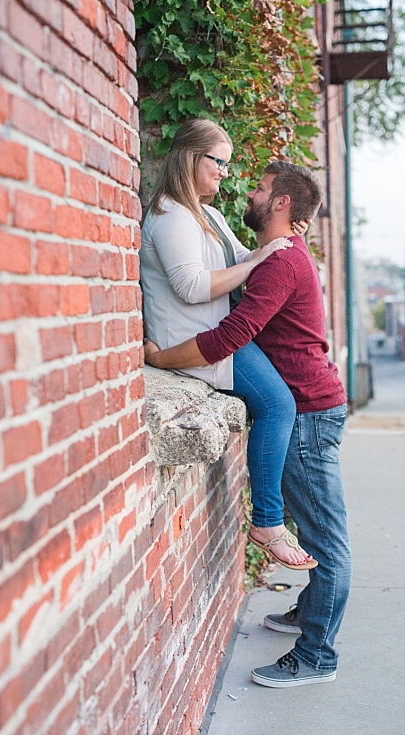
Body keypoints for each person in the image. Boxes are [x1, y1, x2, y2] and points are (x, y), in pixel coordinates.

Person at [144, 160, 350, 688]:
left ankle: (316, 658)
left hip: (307, 412)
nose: (251, 193)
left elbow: (232, 334)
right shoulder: (276, 255)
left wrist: (164, 360)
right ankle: (308, 614)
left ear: (282, 203)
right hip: (307, 408)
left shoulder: (282, 263)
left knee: (327, 545)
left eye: (260, 188)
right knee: (318, 531)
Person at [140, 119, 315, 570]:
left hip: (218, 333)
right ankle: (269, 522)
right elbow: (193, 286)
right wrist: (261, 257)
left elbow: (242, 256)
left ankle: (276, 516)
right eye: (218, 162)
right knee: (278, 406)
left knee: (280, 405)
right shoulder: (168, 215)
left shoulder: (205, 212)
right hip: (192, 341)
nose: (224, 172)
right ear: (192, 158)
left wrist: (282, 243)